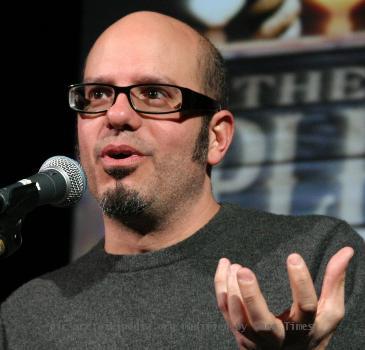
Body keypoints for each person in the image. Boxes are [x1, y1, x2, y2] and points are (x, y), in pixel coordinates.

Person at [1, 11, 364, 350]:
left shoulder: (315, 259)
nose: (116, 114)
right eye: (97, 94)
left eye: (154, 94)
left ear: (215, 138)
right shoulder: (26, 315)